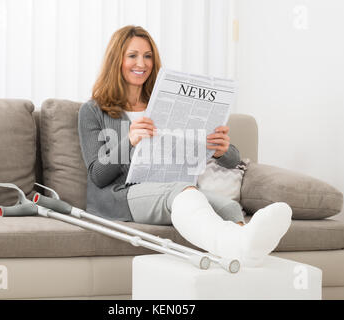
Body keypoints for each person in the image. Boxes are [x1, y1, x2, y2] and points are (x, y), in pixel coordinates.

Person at [78, 25, 292, 267]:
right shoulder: (93, 110)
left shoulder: (162, 104)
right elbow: (97, 175)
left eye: (148, 56)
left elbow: (234, 161)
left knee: (229, 207)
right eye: (132, 55)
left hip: (167, 186)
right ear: (117, 60)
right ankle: (238, 247)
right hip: (119, 195)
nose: (142, 63)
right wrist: (128, 140)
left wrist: (222, 150)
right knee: (184, 191)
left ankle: (245, 251)